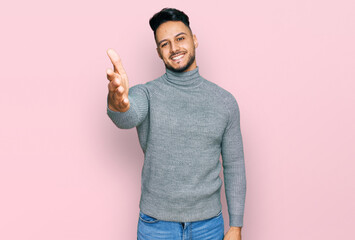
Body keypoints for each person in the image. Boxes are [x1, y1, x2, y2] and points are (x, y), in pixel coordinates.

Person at [106, 7, 246, 240]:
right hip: (156, 226)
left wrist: (236, 225)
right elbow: (127, 115)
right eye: (165, 44)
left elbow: (235, 165)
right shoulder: (147, 94)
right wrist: (117, 102)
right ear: (159, 53)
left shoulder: (224, 102)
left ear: (194, 39)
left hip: (208, 226)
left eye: (180, 38)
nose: (174, 48)